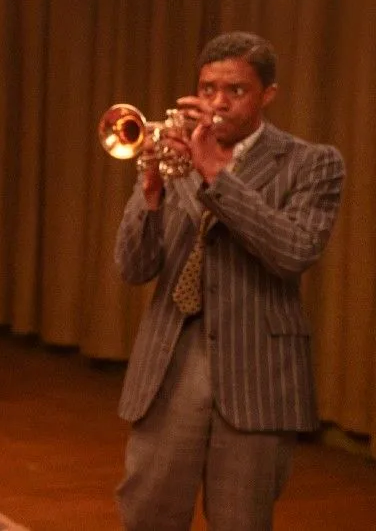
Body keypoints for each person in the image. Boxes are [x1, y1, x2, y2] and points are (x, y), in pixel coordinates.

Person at [113, 31, 346, 529]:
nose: (217, 102)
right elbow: (133, 268)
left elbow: (293, 251)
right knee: (147, 514)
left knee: (241, 520)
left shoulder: (312, 163)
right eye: (208, 88)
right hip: (171, 367)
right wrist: (151, 191)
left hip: (256, 371)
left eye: (235, 90)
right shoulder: (174, 153)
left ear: (268, 95)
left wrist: (218, 174)